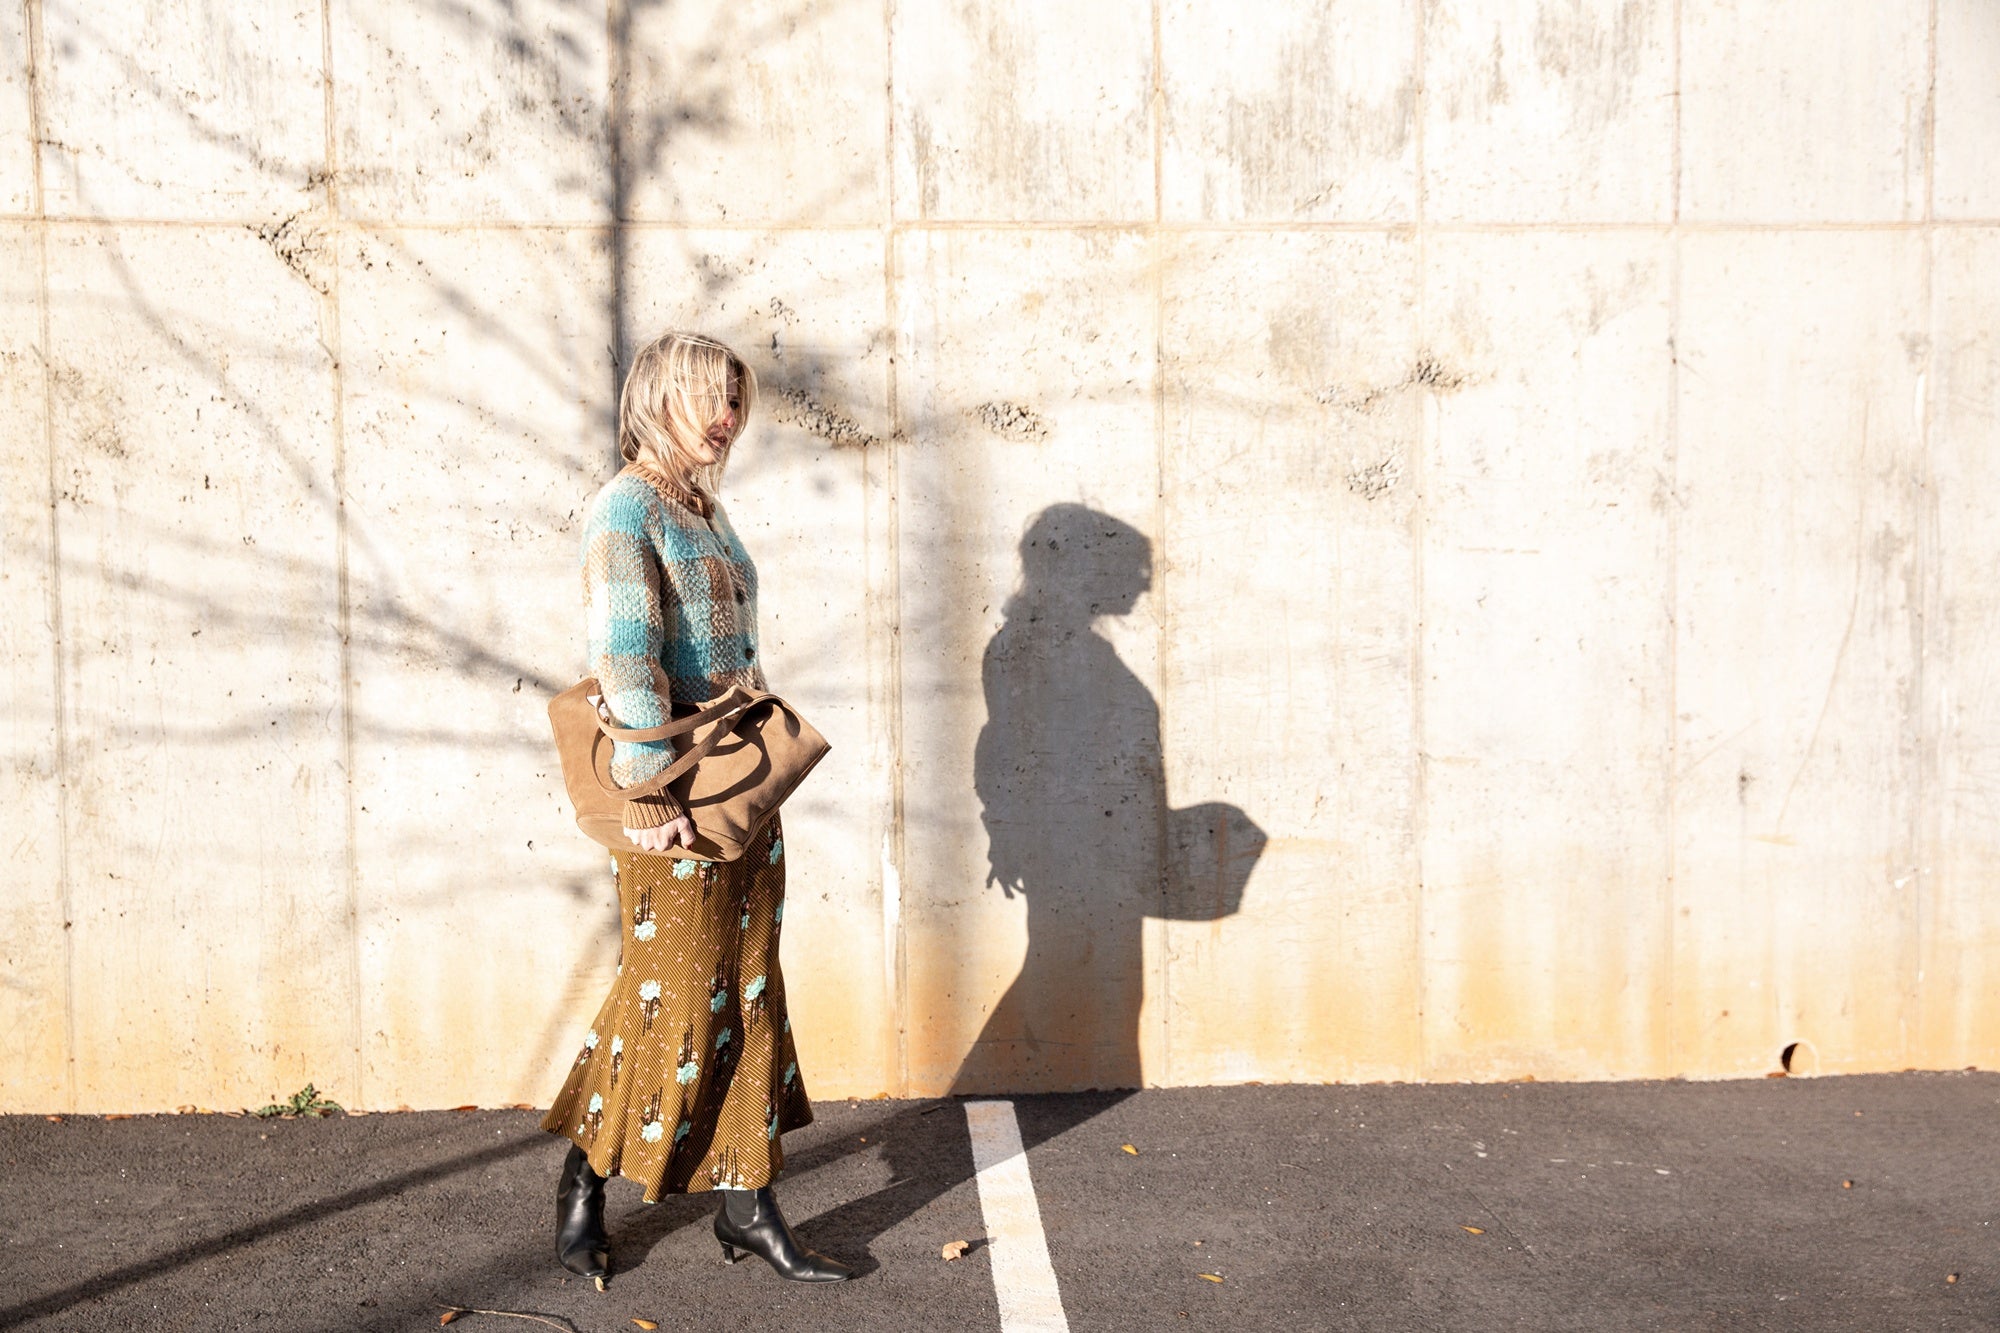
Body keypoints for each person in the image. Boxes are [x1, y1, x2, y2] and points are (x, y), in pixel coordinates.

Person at [538, 330, 853, 1285]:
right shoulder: (625, 508)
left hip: (736, 797)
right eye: (710, 399)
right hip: (668, 801)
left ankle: (747, 1204)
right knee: (669, 999)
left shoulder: (703, 509)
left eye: (735, 403)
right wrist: (648, 793)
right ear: (659, 399)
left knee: (749, 988)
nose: (727, 420)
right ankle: (586, 1179)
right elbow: (626, 658)